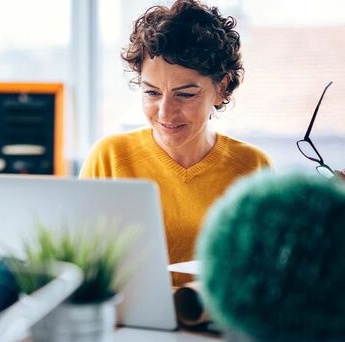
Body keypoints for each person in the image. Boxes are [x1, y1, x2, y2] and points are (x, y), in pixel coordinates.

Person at [79, 0, 271, 285]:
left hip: (214, 328)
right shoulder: (110, 157)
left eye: (185, 95)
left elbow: (268, 275)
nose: (165, 113)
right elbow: (80, 264)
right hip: (130, 325)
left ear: (221, 88)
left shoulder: (252, 167)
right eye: (152, 93)